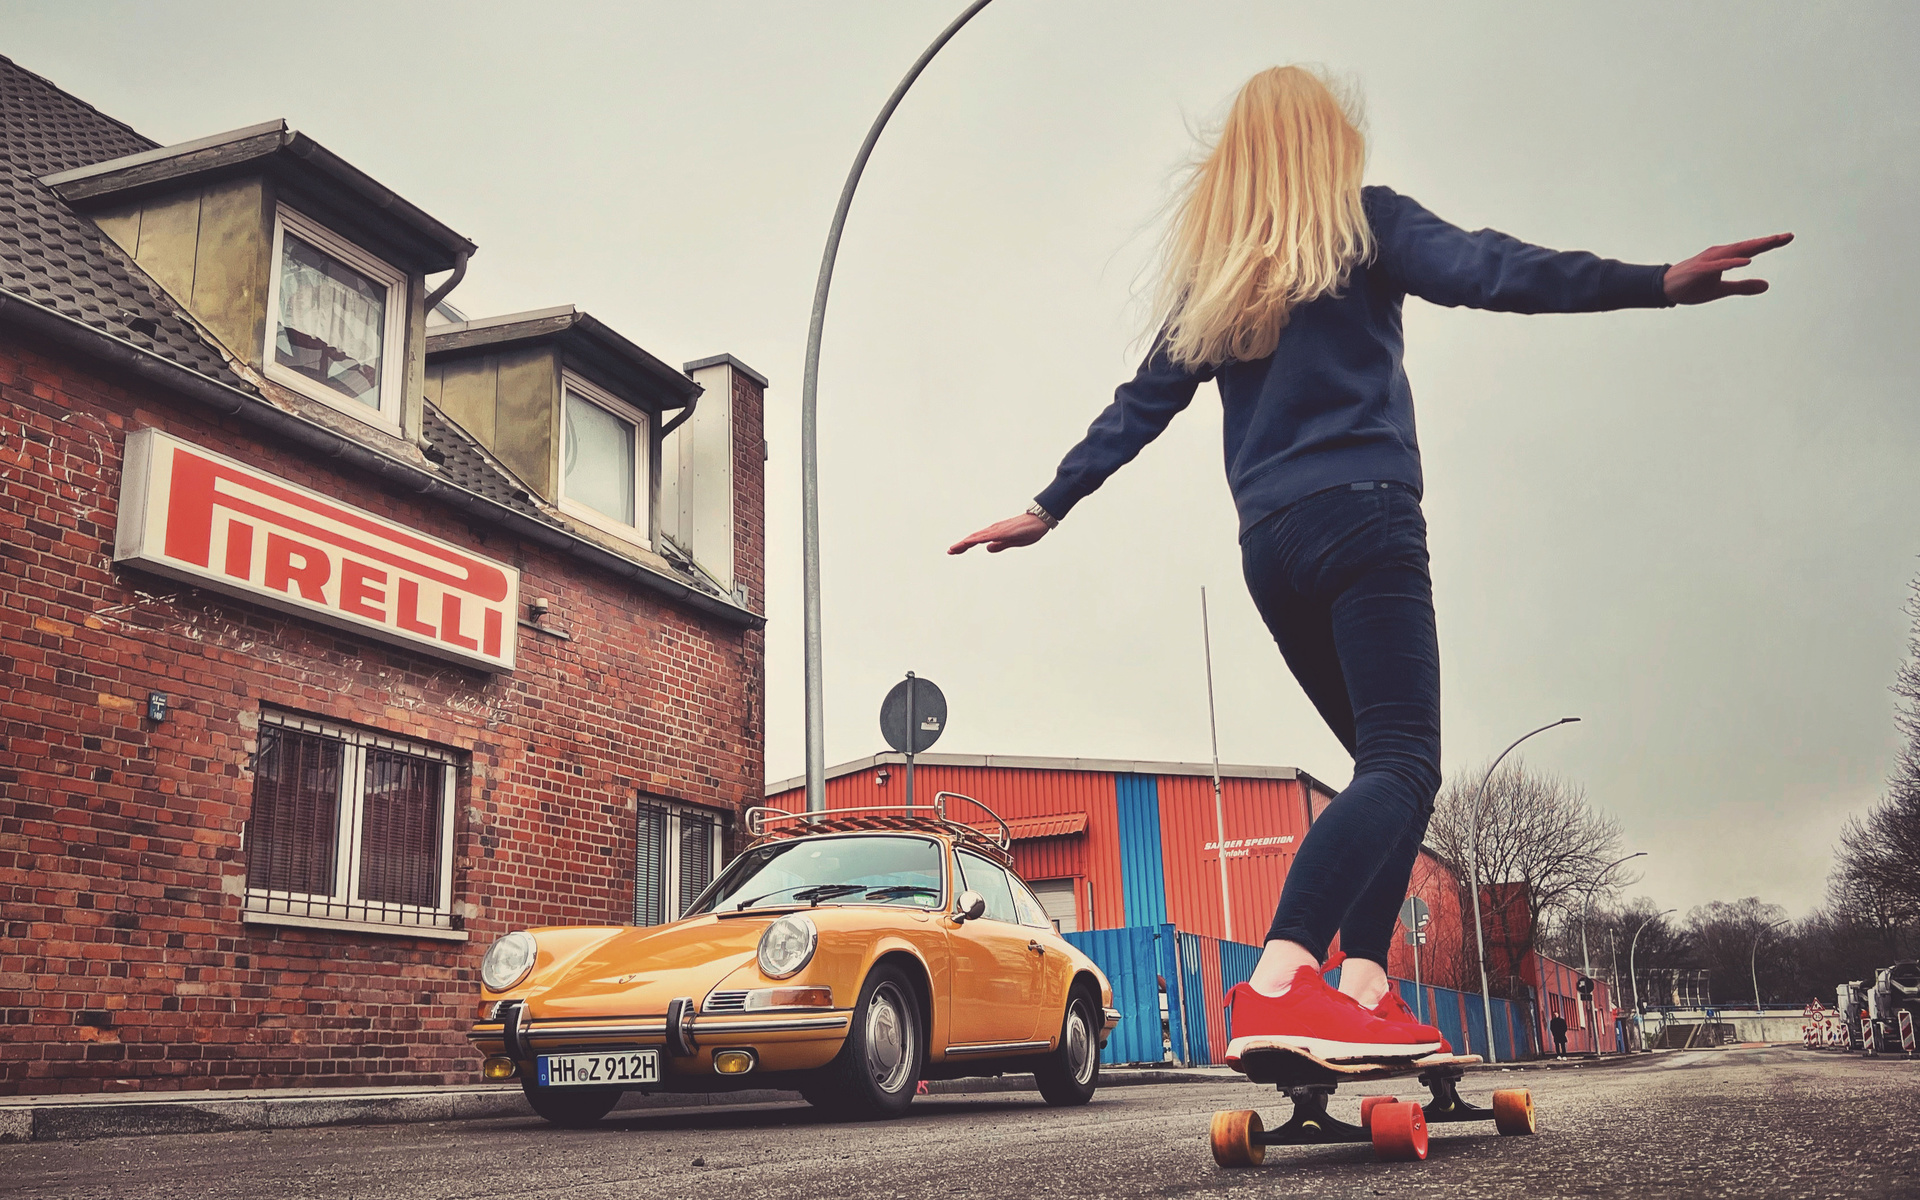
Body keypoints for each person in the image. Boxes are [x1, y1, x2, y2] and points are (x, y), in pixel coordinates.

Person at [949, 65, 1789, 1062]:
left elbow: (1141, 402)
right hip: (1365, 523)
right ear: (1325, 144)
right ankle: (1278, 980)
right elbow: (1493, 270)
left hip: (1273, 548)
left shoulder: (1219, 277)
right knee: (1402, 760)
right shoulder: (1365, 225)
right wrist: (1651, 283)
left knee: (1390, 771)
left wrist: (1051, 503)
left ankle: (1359, 986)